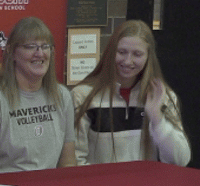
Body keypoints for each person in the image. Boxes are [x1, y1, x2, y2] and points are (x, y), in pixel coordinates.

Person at [0, 16, 76, 173]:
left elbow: (68, 165)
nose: (40, 53)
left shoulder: (62, 96)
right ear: (12, 52)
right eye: (31, 46)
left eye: (45, 46)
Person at [71, 19, 191, 166]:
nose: (128, 61)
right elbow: (75, 160)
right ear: (110, 52)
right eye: (122, 52)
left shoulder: (162, 97)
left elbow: (180, 160)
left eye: (137, 54)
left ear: (148, 57)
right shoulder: (83, 96)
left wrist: (157, 119)